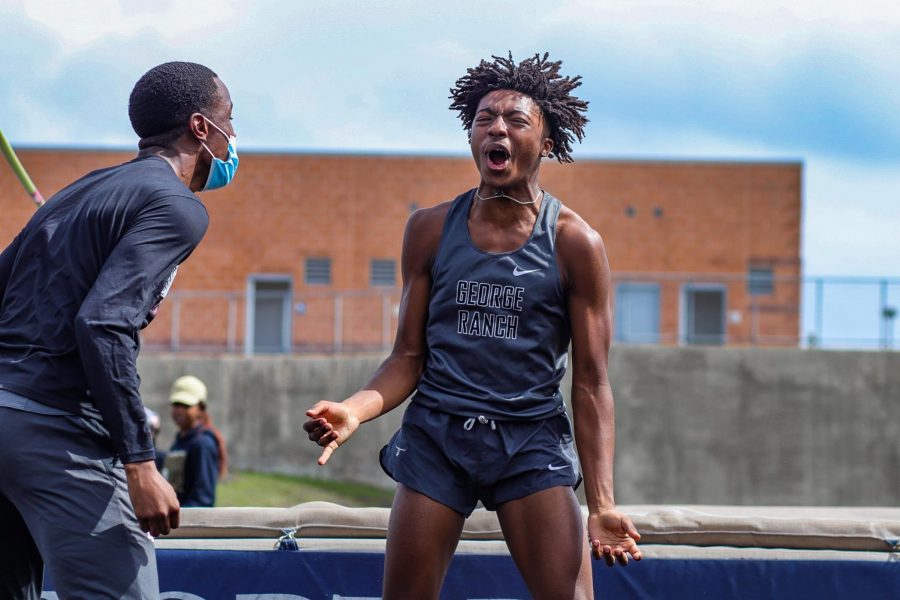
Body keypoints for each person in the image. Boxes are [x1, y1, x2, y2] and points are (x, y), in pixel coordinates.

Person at [303, 53, 642, 600]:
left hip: (529, 437)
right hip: (438, 434)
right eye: (484, 118)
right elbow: (407, 358)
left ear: (547, 143)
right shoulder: (430, 230)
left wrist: (601, 504)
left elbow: (592, 382)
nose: (497, 128)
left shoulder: (576, 243)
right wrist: (354, 411)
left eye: (515, 119)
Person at [0, 61, 238, 599]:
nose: (235, 137)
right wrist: (140, 462)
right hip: (54, 433)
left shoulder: (79, 190)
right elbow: (104, 324)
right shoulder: (178, 206)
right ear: (201, 128)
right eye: (230, 119)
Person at [166, 375, 221, 507]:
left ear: (201, 408)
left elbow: (203, 500)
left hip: (188, 523)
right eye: (176, 404)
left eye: (186, 405)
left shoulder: (203, 444)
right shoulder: (179, 441)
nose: (179, 410)